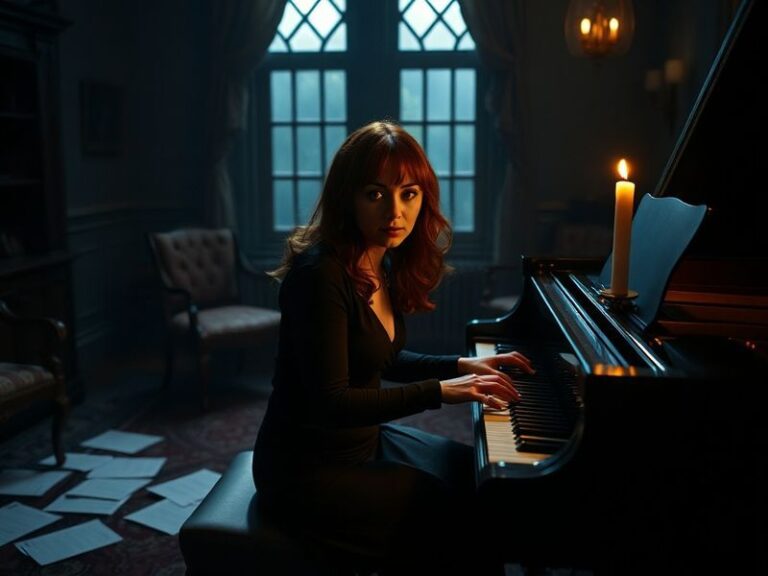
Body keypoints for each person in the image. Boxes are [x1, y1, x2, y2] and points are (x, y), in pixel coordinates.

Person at [252, 120, 534, 574]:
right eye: (376, 194)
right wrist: (443, 392)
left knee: (478, 475)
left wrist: (463, 364)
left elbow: (382, 358)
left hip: (361, 442)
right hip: (307, 468)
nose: (395, 212)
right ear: (348, 196)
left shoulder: (379, 258)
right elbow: (333, 401)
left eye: (409, 193)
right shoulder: (319, 276)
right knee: (459, 519)